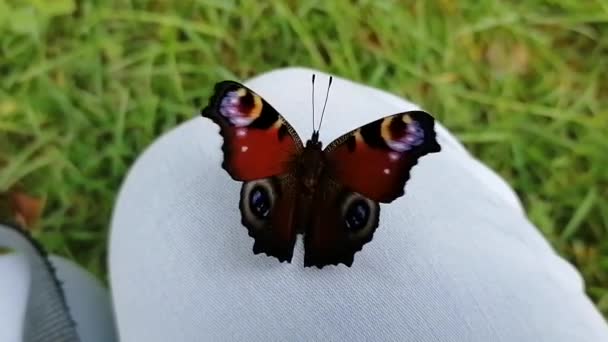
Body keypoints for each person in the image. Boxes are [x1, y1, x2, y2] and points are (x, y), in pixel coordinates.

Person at [1, 67, 607, 341]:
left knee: (267, 109)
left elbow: (251, 118)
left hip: (278, 189)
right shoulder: (362, 143)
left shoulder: (278, 138)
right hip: (346, 196)